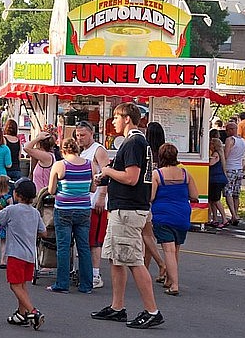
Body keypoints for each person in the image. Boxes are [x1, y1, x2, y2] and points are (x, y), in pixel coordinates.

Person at [91, 102, 163, 329]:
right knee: (116, 258)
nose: (113, 121)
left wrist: (107, 170)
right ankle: (117, 307)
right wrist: (106, 178)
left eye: (116, 117)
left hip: (128, 210)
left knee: (133, 260)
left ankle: (152, 311)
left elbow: (132, 177)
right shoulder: (136, 142)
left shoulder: (133, 142)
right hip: (123, 207)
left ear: (127, 119)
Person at [0, 179, 47, 330]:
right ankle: (21, 314)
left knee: (14, 285)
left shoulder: (12, 210)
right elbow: (44, 232)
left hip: (15, 254)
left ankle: (33, 311)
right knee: (23, 285)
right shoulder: (35, 213)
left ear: (16, 194)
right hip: (30, 255)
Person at [46, 137, 95, 294]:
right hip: (84, 209)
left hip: (64, 209)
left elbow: (51, 190)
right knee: (84, 247)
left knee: (63, 246)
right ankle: (86, 284)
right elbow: (93, 188)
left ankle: (62, 283)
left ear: (63, 150)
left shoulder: (60, 165)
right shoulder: (90, 165)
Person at [150, 143, 199, 296]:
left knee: (168, 250)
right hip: (182, 215)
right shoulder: (185, 174)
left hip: (163, 215)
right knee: (175, 249)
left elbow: (150, 197)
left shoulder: (157, 174)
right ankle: (169, 280)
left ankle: (175, 284)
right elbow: (195, 196)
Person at [74, 121, 110, 289]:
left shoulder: (98, 150)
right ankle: (87, 271)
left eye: (83, 135)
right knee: (86, 239)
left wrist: (101, 196)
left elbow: (106, 173)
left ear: (91, 134)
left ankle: (95, 275)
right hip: (85, 201)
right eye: (77, 135)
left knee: (95, 240)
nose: (79, 138)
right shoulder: (84, 151)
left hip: (96, 202)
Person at [143, 122, 167, 281]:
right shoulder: (163, 153)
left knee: (145, 235)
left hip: (146, 195)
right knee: (148, 235)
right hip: (160, 197)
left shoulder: (146, 152)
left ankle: (159, 263)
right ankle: (145, 268)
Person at [224, 121, 245, 226]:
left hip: (229, 169)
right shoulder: (243, 141)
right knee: (236, 194)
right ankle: (235, 214)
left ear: (230, 130)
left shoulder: (229, 140)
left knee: (228, 192)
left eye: (227, 130)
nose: (226, 132)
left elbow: (226, 155)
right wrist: (243, 167)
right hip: (238, 170)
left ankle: (233, 214)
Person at [208, 138, 230, 227]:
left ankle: (224, 219)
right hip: (215, 179)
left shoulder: (216, 154)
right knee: (212, 200)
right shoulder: (219, 154)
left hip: (216, 180)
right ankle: (215, 219)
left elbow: (211, 163)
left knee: (216, 200)